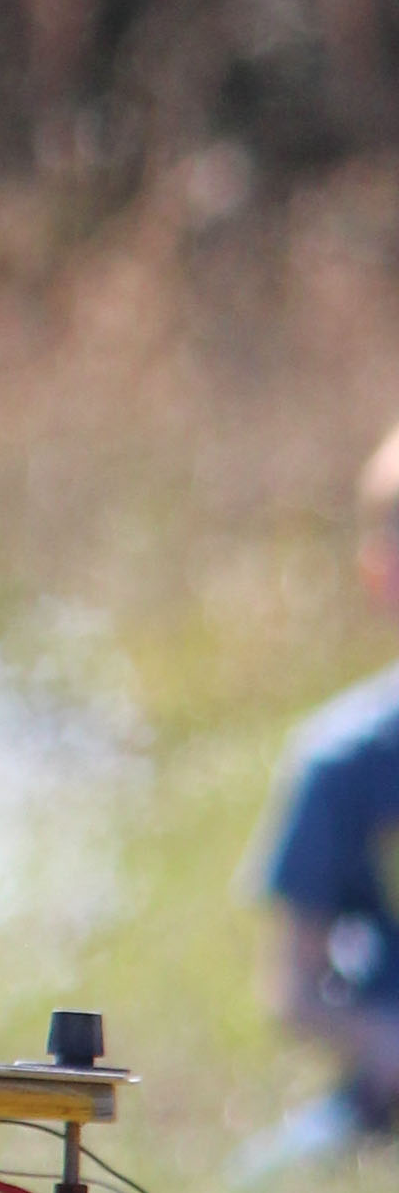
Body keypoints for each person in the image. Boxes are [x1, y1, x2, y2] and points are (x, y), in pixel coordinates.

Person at [241, 421, 399, 1173]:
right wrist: (382, 1040)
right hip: (385, 1102)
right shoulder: (344, 762)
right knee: (259, 1179)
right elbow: (294, 990)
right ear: (380, 572)